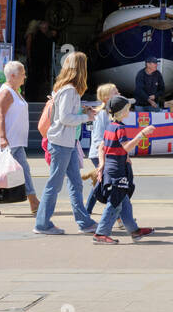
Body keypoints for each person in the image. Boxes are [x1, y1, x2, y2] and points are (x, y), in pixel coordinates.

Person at [34, 51, 95, 236]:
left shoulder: (67, 89)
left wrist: (82, 111)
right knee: (55, 184)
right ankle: (42, 224)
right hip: (61, 143)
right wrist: (87, 117)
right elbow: (65, 118)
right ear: (80, 69)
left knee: (75, 183)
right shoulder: (69, 90)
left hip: (65, 143)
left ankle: (84, 222)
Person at [92, 94, 156, 245]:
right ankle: (101, 233)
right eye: (128, 108)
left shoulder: (110, 126)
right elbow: (126, 146)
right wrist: (142, 134)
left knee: (124, 201)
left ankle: (134, 231)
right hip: (117, 171)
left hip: (111, 167)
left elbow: (102, 147)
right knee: (115, 203)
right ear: (121, 111)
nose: (129, 110)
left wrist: (102, 164)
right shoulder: (120, 128)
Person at [0, 61, 38, 216]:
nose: (25, 76)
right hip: (6, 140)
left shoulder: (15, 91)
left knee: (22, 169)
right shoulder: (5, 92)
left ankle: (34, 202)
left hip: (15, 139)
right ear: (12, 76)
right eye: (22, 73)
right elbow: (0, 115)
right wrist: (3, 138)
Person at [83, 83, 118, 212]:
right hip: (100, 153)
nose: (118, 94)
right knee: (110, 184)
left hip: (101, 152)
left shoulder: (108, 113)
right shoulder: (103, 114)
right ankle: (117, 216)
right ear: (106, 98)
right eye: (115, 92)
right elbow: (99, 138)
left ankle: (87, 210)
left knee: (101, 182)